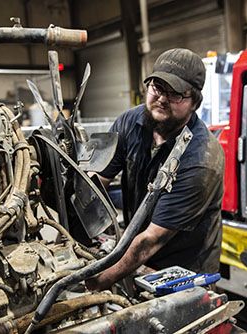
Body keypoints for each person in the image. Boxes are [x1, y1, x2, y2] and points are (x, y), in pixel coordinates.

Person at [87, 48, 224, 291]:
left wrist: (96, 282)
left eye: (176, 94)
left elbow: (152, 239)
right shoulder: (129, 122)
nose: (161, 98)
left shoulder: (201, 158)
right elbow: (94, 183)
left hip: (184, 272)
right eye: (157, 87)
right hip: (136, 254)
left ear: (195, 103)